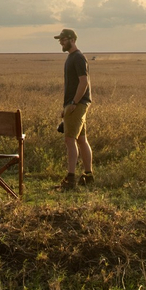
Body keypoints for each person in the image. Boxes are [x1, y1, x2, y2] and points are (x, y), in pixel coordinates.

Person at [56, 27, 93, 190]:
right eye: (60, 40)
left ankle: (70, 179)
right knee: (81, 139)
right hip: (76, 104)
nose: (61, 43)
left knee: (69, 139)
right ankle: (88, 175)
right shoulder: (72, 57)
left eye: (63, 40)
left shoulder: (77, 57)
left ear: (71, 39)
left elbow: (83, 82)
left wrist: (73, 103)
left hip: (77, 104)